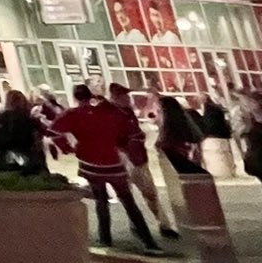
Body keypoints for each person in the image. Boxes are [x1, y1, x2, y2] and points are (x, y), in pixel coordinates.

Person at [53, 83, 161, 254]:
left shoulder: (74, 114)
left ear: (75, 97)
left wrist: (69, 148)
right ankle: (148, 240)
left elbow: (54, 131)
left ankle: (105, 239)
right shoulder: (110, 112)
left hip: (91, 164)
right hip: (113, 162)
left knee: (101, 201)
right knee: (128, 202)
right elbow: (134, 133)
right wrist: (126, 148)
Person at [107, 84, 178, 239]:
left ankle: (162, 224)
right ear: (116, 97)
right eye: (124, 96)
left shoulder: (127, 112)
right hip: (125, 157)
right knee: (132, 194)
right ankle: (141, 225)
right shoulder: (112, 114)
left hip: (138, 157)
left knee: (149, 193)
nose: (128, 99)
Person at [0, 90, 46, 175]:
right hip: (27, 153)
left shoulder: (1, 118)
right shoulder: (30, 120)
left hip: (9, 154)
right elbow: (38, 139)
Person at [156, 94, 208, 177]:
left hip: (182, 171)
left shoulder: (172, 132)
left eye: (159, 111)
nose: (157, 115)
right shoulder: (185, 126)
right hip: (190, 171)